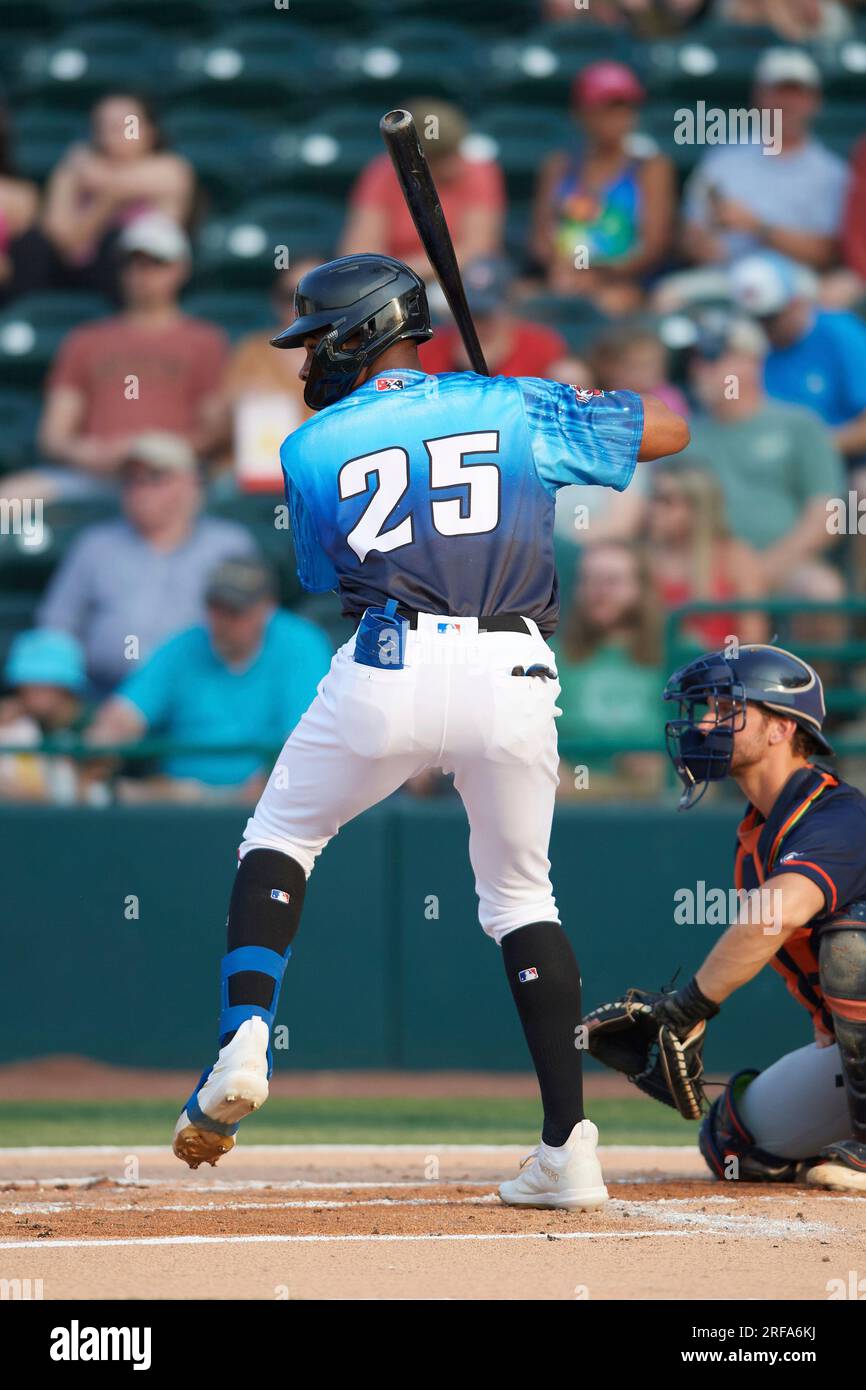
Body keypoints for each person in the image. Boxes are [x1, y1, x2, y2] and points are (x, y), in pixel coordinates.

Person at [170, 251, 689, 1211]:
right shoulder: (514, 404)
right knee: (522, 897)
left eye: (321, 337)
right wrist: (546, 406)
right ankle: (568, 1148)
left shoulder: (311, 445)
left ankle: (244, 1039)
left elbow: (332, 578)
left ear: (367, 331)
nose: (309, 359)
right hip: (516, 669)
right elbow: (669, 427)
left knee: (283, 835)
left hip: (391, 665)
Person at [587, 643, 866, 1195]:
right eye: (707, 708)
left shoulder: (839, 814)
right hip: (844, 1049)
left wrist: (688, 1007)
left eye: (726, 708)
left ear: (780, 730)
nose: (707, 722)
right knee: (733, 1142)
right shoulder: (756, 836)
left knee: (850, 947)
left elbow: (775, 915)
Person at [4, 213, 229, 503]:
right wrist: (93, 454)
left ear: (181, 269)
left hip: (172, 475)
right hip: (93, 476)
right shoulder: (85, 339)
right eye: (133, 263)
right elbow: (54, 434)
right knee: (10, 502)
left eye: (156, 263)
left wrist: (159, 451)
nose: (142, 273)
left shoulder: (205, 341)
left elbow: (215, 429)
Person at [87, 558, 332, 803]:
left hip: (269, 808)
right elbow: (123, 717)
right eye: (214, 607)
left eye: (234, 610)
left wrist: (256, 792)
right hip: (176, 804)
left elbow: (305, 748)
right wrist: (99, 747)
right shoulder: (183, 645)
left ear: (266, 609)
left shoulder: (302, 644)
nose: (221, 620)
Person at [37, 432, 257, 694]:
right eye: (131, 480)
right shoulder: (95, 545)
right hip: (105, 693)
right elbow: (56, 626)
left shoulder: (228, 544)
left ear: (191, 484)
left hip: (203, 695)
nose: (139, 490)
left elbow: (251, 625)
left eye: (154, 478)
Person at [683, 314, 845, 602]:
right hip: (700, 568)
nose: (700, 370)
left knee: (821, 591)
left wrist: (762, 571)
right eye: (696, 360)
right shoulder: (682, 434)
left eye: (713, 357)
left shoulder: (799, 424)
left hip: (783, 566)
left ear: (751, 363)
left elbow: (825, 515)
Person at [681, 49, 849, 273]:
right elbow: (690, 234)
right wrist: (699, 244)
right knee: (669, 298)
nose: (787, 104)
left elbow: (828, 253)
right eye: (778, 93)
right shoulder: (723, 160)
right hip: (724, 277)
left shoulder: (831, 173)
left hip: (796, 284)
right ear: (759, 97)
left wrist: (759, 227)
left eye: (796, 94)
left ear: (814, 101)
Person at [530, 61, 676, 313]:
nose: (615, 118)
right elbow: (541, 235)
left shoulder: (651, 168)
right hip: (562, 277)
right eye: (604, 109)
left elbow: (653, 246)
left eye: (623, 108)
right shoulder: (559, 165)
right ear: (581, 114)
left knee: (612, 304)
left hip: (622, 282)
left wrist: (597, 273)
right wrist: (563, 269)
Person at [39, 91, 195, 298]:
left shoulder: (171, 168)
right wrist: (106, 202)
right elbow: (61, 240)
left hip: (141, 285)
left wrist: (99, 185)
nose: (115, 133)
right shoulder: (74, 168)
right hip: (78, 278)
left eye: (128, 125)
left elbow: (116, 183)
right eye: (105, 125)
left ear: (150, 131)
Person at [729, 250, 866, 474]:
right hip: (770, 466)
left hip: (843, 462)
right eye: (755, 319)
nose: (764, 327)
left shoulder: (840, 332)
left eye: (772, 317)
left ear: (797, 302)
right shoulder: (746, 350)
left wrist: (807, 448)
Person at [340, 98, 504, 278]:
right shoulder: (383, 173)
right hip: (392, 283)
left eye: (452, 151)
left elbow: (477, 249)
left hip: (458, 279)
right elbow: (360, 251)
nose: (450, 164)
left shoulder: (479, 172)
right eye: (437, 157)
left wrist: (401, 274)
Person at [552, 541, 666, 798]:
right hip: (571, 793)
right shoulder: (548, 655)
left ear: (642, 588)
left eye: (611, 581)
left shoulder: (677, 652)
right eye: (588, 581)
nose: (598, 592)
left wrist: (669, 759)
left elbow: (707, 730)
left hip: (657, 796)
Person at [220, 261, 318, 493]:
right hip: (257, 473)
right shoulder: (252, 351)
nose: (299, 308)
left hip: (319, 470)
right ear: (275, 301)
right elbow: (219, 426)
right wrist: (236, 406)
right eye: (290, 297)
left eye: (311, 298)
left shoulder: (349, 354)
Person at [647, 465, 767, 649]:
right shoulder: (644, 557)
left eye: (666, 501)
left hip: (718, 671)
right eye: (653, 498)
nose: (654, 509)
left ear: (697, 509)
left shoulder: (735, 557)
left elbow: (753, 639)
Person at [419, 258, 566, 378]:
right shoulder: (432, 347)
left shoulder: (540, 346)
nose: (475, 324)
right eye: (468, 314)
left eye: (484, 315)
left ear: (509, 308)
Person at [0, 629, 92, 803]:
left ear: (65, 686)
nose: (33, 692)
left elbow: (88, 794)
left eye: (44, 684)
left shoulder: (95, 726)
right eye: (27, 683)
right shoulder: (18, 721)